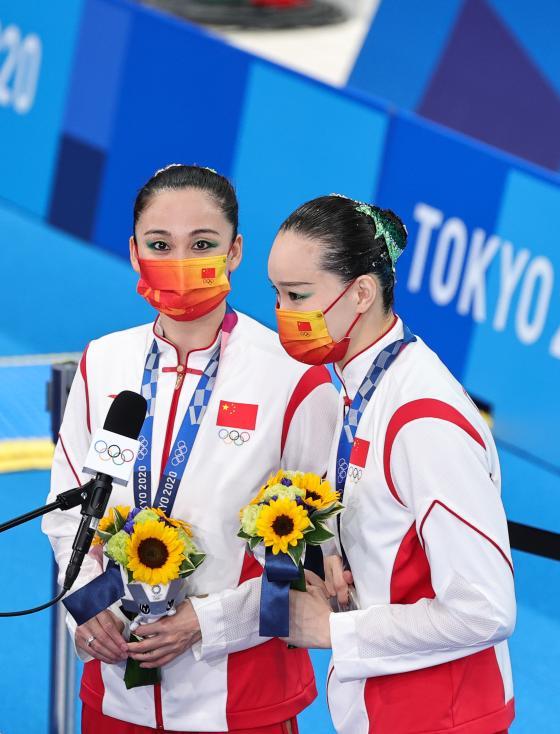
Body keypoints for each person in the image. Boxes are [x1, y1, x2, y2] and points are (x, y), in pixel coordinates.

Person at [42, 165, 338, 733]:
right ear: (135, 253)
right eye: (160, 245)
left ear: (235, 252)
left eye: (202, 244)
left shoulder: (293, 379)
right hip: (116, 692)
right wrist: (87, 606)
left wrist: (209, 622)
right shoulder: (103, 362)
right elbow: (68, 510)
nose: (180, 261)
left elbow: (317, 557)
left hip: (243, 699)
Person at [267, 195, 516, 734]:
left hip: (438, 717)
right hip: (387, 706)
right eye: (277, 295)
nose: (283, 314)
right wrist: (331, 557)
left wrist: (335, 631)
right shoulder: (360, 384)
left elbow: (486, 609)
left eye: (298, 295)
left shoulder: (423, 420)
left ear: (362, 293)